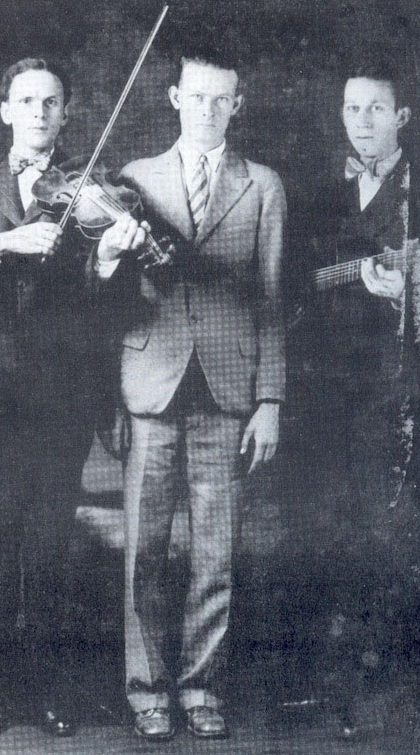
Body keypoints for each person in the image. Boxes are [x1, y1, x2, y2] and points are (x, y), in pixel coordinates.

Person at [92, 46, 287, 741]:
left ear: (238, 105)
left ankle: (201, 687)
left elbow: (270, 300)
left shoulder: (263, 185)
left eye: (221, 99)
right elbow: (107, 299)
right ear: (174, 97)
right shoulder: (132, 179)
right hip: (149, 386)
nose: (207, 109)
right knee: (142, 550)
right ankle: (147, 690)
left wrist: (270, 400)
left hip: (228, 392)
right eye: (195, 96)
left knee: (216, 552)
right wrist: (110, 253)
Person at [0, 57, 126, 739]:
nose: (38, 113)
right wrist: (2, 242)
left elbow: (105, 304)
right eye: (26, 101)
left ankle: (53, 691)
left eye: (51, 103)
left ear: (66, 113)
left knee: (52, 547)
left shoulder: (90, 191)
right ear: (4, 111)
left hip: (61, 398)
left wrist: (108, 258)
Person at [287, 58, 420, 734]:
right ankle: (335, 680)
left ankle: (398, 686)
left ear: (403, 117)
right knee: (328, 525)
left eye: (375, 110)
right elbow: (293, 281)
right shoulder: (320, 187)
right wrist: (357, 273)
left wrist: (416, 280)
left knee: (398, 530)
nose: (361, 124)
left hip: (406, 389)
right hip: (329, 389)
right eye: (351, 109)